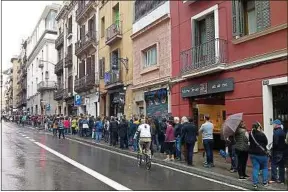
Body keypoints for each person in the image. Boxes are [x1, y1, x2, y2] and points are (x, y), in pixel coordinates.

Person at [249, 122, 269, 189]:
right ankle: (265, 182)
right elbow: (266, 142)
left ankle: (255, 184)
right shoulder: (262, 134)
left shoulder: (250, 134)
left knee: (255, 168)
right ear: (258, 127)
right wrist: (262, 132)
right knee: (265, 168)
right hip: (262, 154)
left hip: (253, 154)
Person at [269, 119, 286, 184]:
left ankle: (274, 178)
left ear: (276, 125)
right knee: (281, 166)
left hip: (277, 151)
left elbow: (276, 143)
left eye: (273, 124)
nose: (273, 125)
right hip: (283, 151)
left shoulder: (276, 132)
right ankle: (282, 180)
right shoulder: (282, 131)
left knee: (273, 164)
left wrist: (272, 149)